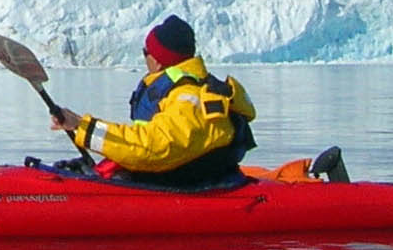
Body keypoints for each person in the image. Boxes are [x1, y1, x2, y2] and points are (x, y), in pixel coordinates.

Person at [52, 15, 256, 187]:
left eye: (145, 52)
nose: (145, 58)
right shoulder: (182, 91)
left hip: (189, 184)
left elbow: (153, 147)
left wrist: (83, 127)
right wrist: (79, 127)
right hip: (172, 175)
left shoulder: (188, 98)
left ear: (158, 60)